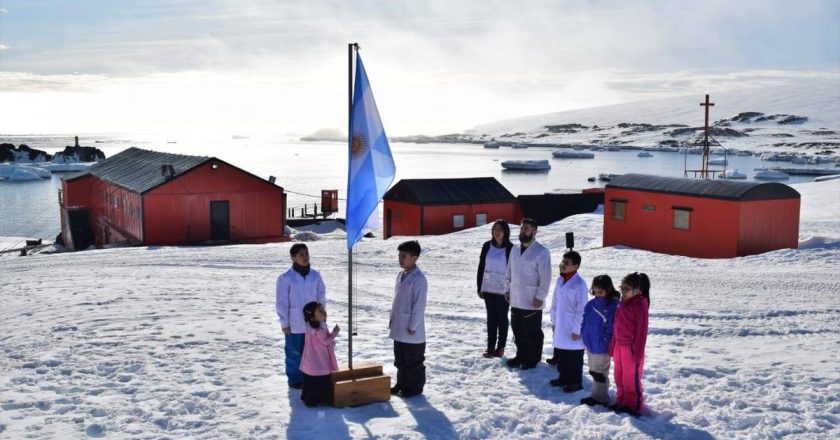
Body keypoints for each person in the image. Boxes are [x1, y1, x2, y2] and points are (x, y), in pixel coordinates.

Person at [275, 243, 327, 389]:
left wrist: (322, 316)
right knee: (294, 351)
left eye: (306, 254)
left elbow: (321, 296)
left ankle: (309, 375)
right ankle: (295, 379)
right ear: (293, 257)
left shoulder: (315, 275)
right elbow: (282, 301)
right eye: (301, 255)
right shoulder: (286, 278)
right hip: (295, 322)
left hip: (313, 322)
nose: (305, 257)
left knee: (311, 351)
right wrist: (284, 322)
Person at [504, 218, 552, 370]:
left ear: (535, 231)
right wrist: (507, 289)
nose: (523, 231)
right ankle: (521, 355)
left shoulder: (542, 252)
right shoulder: (514, 249)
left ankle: (533, 358)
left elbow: (546, 277)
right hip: (516, 298)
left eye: (527, 228)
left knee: (532, 332)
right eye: (522, 228)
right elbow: (508, 271)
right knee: (517, 330)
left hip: (532, 300)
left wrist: (540, 296)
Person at [389, 240, 428, 398]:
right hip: (399, 326)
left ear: (415, 258)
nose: (401, 259)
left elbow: (419, 305)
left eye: (404, 256)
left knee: (413, 361)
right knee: (400, 360)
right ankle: (401, 384)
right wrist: (392, 319)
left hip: (412, 330)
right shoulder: (401, 275)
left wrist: (413, 325)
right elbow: (396, 300)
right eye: (399, 256)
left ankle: (414, 388)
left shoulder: (419, 279)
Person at [610, 272, 650, 416]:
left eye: (626, 289)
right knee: (619, 376)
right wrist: (612, 346)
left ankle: (633, 405)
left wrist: (637, 353)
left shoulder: (640, 306)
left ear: (637, 290)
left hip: (631, 350)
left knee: (630, 379)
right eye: (622, 287)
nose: (622, 291)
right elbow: (616, 326)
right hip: (619, 347)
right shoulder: (622, 303)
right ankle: (621, 401)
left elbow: (641, 333)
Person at [548, 250, 589, 391]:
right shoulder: (560, 280)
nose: (562, 264)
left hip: (573, 327)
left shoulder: (580, 284)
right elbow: (554, 303)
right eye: (562, 261)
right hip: (560, 324)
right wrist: (553, 322)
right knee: (562, 354)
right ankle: (563, 377)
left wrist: (577, 329)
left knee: (574, 356)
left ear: (575, 266)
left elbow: (582, 309)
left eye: (566, 263)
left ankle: (576, 382)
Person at [579, 275, 620, 406]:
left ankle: (600, 398)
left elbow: (611, 328)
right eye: (595, 291)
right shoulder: (591, 304)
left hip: (602, 347)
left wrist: (603, 342)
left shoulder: (612, 307)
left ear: (608, 290)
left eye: (600, 292)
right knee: (593, 370)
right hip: (590, 344)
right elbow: (584, 320)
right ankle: (598, 394)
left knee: (600, 373)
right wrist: (583, 334)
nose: (597, 294)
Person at [476, 220, 514, 358]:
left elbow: (513, 270)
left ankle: (501, 347)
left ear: (505, 232)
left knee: (502, 318)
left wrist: (511, 289)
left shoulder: (510, 248)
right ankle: (490, 347)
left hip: (503, 290)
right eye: (495, 229)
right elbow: (481, 266)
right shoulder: (487, 246)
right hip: (488, 288)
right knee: (491, 318)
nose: (497, 232)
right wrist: (479, 286)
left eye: (500, 230)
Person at [299, 301, 340, 406]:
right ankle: (318, 400)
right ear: (312, 317)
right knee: (320, 380)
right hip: (319, 360)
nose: (323, 312)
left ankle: (307, 396)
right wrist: (335, 332)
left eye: (323, 309)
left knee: (310, 379)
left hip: (311, 360)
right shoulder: (319, 330)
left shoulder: (310, 327)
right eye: (320, 311)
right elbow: (326, 341)